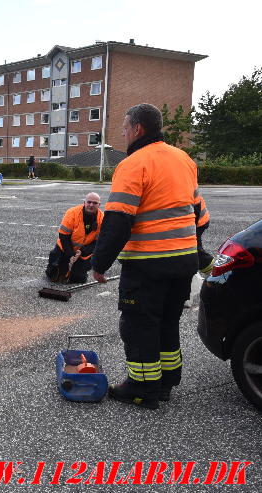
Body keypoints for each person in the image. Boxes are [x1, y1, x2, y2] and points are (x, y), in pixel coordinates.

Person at [91, 103, 200, 409]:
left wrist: (99, 263)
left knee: (139, 325)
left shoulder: (134, 163)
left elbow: (118, 219)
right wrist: (197, 252)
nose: (124, 134)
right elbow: (198, 213)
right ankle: (166, 383)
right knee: (167, 322)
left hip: (148, 264)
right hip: (182, 262)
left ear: (138, 129)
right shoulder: (184, 159)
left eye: (125, 128)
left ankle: (142, 388)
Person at [45, 192, 103, 283]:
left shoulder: (102, 219)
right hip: (65, 248)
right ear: (84, 202)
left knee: (78, 279)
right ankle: (55, 267)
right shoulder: (72, 213)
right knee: (52, 274)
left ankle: (77, 270)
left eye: (95, 203)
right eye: (89, 202)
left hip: (83, 252)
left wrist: (82, 251)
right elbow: (63, 236)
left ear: (99, 205)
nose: (91, 205)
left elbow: (98, 242)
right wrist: (70, 254)